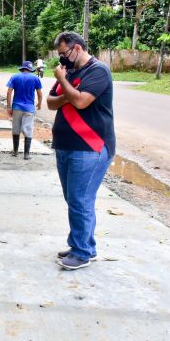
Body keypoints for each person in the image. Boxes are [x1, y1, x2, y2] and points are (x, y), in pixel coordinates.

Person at [46, 31, 115, 270]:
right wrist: (69, 92)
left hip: (90, 146)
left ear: (77, 48)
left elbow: (82, 102)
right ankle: (85, 244)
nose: (62, 59)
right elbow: (51, 102)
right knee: (75, 198)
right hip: (66, 145)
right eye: (60, 55)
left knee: (80, 199)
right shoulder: (70, 73)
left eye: (64, 53)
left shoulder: (98, 71)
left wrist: (64, 85)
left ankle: (81, 252)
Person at [6, 61, 43, 159]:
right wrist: (39, 103)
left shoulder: (15, 77)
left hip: (17, 107)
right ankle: (26, 154)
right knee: (28, 129)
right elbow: (40, 94)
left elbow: (9, 92)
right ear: (30, 69)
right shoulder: (35, 78)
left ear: (22, 68)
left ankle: (15, 152)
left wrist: (8, 107)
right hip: (29, 108)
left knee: (16, 128)